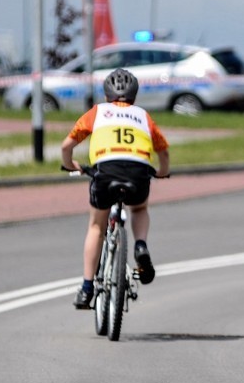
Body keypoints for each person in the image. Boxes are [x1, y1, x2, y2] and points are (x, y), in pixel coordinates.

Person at [61, 68, 170, 310]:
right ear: (134, 96)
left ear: (107, 93)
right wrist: (162, 171)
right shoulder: (143, 116)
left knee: (96, 226)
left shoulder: (97, 112)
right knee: (139, 209)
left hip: (105, 171)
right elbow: (163, 151)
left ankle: (87, 288)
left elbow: (67, 145)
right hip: (137, 172)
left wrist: (72, 165)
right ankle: (140, 245)